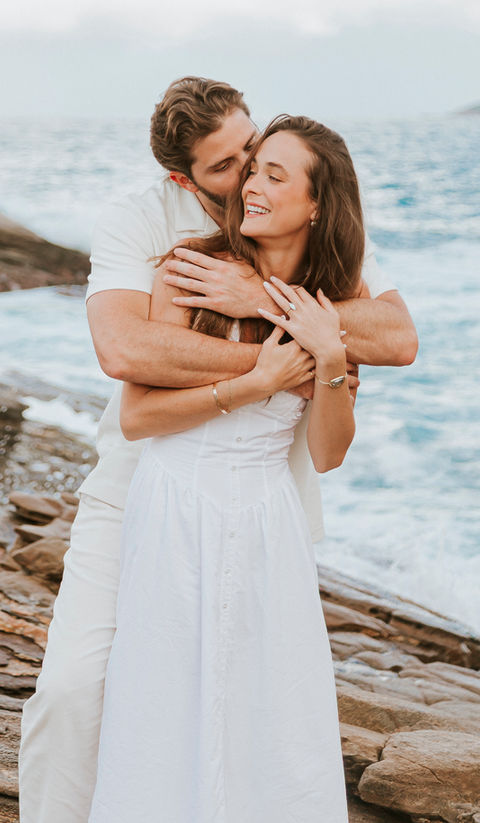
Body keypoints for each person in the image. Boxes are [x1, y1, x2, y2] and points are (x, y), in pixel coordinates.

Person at [19, 78, 418, 823]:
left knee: (262, 717)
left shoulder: (306, 242)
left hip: (267, 500)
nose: (248, 175)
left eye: (258, 151)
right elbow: (123, 350)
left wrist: (274, 309)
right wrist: (273, 367)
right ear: (184, 177)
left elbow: (396, 338)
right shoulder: (159, 233)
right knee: (79, 691)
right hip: (140, 490)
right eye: (231, 165)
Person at [88, 115, 363, 821]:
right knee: (164, 702)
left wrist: (329, 359)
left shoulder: (331, 302)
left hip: (271, 518)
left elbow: (328, 454)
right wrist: (259, 379)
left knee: (272, 712)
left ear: (318, 204)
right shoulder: (189, 267)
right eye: (252, 169)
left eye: (275, 173)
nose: (252, 184)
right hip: (175, 502)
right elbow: (137, 417)